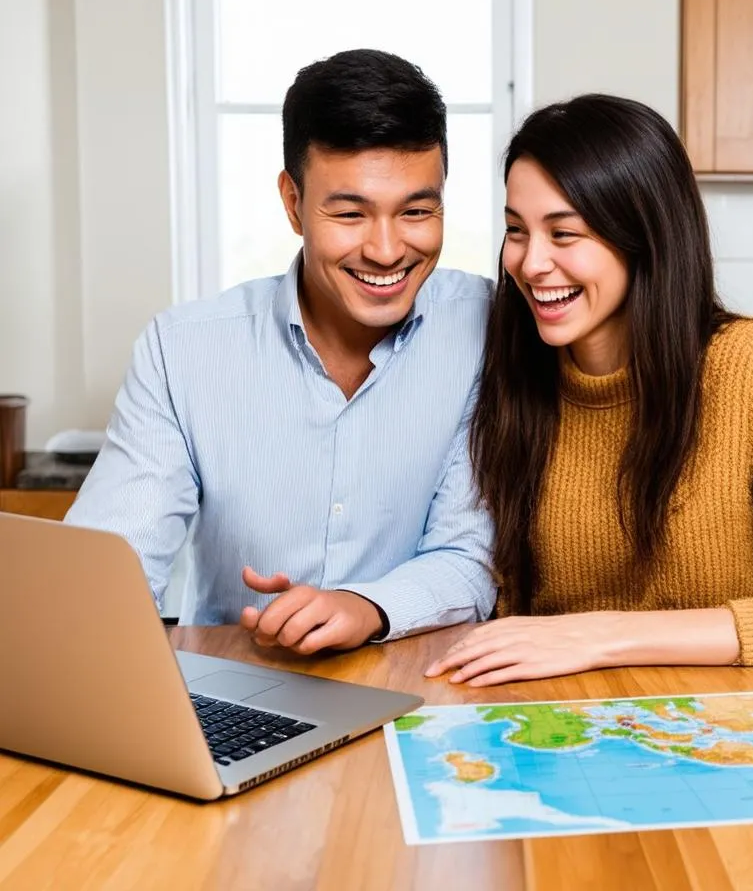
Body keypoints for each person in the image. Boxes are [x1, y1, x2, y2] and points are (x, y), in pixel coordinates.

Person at [426, 93, 753, 686]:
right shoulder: (513, 375)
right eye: (517, 230)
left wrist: (605, 635)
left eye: (564, 234)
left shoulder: (748, 370)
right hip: (575, 729)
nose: (531, 262)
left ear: (642, 236)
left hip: (734, 736)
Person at [67, 49, 496, 653]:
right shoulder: (183, 351)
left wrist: (367, 605)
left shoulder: (488, 328)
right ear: (292, 202)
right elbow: (107, 574)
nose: (386, 248)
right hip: (242, 680)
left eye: (417, 211)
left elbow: (467, 553)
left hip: (419, 680)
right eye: (349, 213)